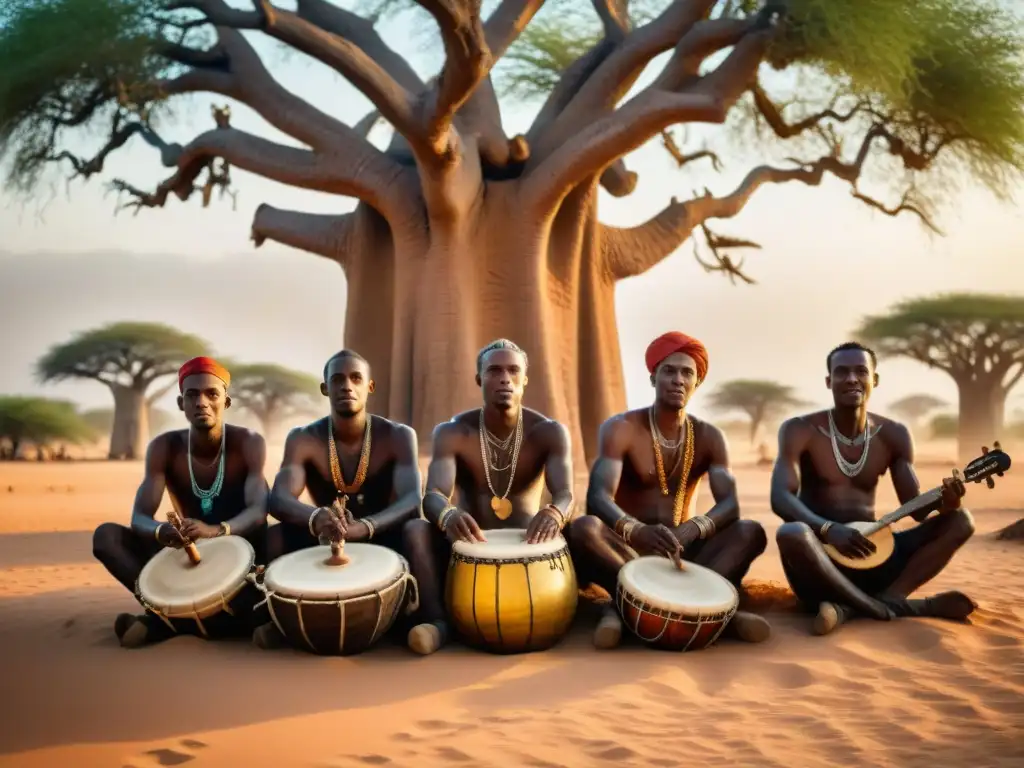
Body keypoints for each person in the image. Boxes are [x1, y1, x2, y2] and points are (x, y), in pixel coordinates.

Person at [569, 331, 771, 650]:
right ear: (653, 379)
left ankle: (625, 611)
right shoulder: (621, 428)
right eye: (669, 370)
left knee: (750, 532)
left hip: (683, 555)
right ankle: (713, 615)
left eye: (687, 372)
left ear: (697, 383)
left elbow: (730, 505)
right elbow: (597, 498)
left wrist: (693, 529)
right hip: (628, 554)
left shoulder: (710, 437)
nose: (678, 379)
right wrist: (636, 531)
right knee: (583, 528)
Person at [771, 342, 977, 635]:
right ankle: (887, 608)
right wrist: (829, 529)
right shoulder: (799, 429)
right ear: (829, 381)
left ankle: (879, 601)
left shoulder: (894, 434)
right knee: (791, 532)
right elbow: (780, 497)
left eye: (861, 371)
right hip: (820, 563)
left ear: (874, 380)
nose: (852, 378)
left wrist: (948, 503)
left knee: (961, 520)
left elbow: (915, 509)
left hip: (875, 555)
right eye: (842, 372)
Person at [403, 339, 575, 656]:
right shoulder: (452, 432)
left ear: (525, 379)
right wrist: (449, 515)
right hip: (468, 544)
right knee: (415, 530)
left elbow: (565, 493)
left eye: (513, 371)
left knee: (584, 528)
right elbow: (433, 496)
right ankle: (438, 622)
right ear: (479, 379)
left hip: (530, 545)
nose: (504, 378)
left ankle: (597, 609)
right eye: (494, 371)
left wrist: (554, 513)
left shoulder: (548, 432)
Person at [92, 357, 270, 648]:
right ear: (181, 403)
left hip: (243, 552)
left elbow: (259, 511)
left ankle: (165, 624)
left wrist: (216, 531)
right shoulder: (164, 447)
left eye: (212, 394)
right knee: (107, 537)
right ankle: (169, 612)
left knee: (283, 538)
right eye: (192, 395)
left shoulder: (248, 442)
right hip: (190, 553)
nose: (201, 402)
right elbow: (139, 518)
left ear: (226, 401)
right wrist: (163, 532)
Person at [255, 349, 421, 648]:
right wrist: (315, 517)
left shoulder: (397, 435)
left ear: (369, 387)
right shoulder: (304, 438)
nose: (347, 386)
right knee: (276, 535)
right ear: (325, 388)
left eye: (356, 378)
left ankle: (426, 620)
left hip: (382, 536)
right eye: (338, 379)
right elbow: (278, 499)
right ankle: (279, 620)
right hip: (326, 540)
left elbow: (412, 500)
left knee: (417, 530)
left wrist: (367, 526)